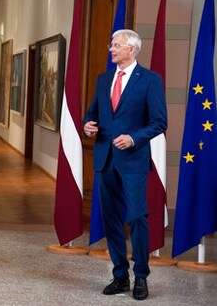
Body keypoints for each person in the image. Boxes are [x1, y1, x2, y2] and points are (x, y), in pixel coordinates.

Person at [83, 29, 167, 301]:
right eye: (111, 45)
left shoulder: (150, 81)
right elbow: (93, 112)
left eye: (116, 45)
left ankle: (141, 276)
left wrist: (133, 138)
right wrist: (88, 125)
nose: (111, 49)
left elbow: (159, 122)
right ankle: (120, 275)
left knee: (137, 217)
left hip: (133, 162)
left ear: (132, 49)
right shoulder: (104, 78)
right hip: (105, 159)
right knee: (111, 219)